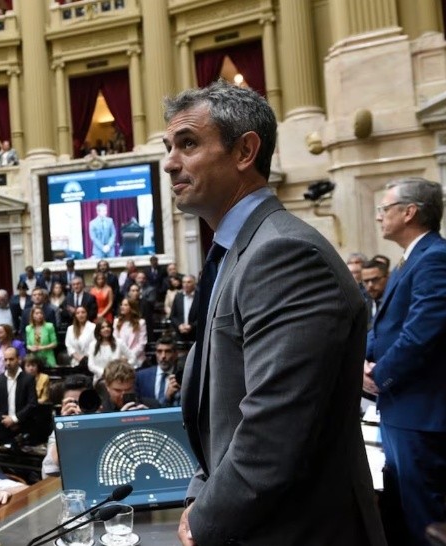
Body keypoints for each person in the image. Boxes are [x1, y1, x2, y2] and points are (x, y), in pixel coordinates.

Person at [164, 81, 384, 546]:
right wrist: (199, 493)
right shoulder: (236, 252)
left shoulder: (282, 253)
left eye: (187, 144)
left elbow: (272, 431)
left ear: (245, 151)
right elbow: (221, 411)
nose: (169, 163)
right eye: (169, 147)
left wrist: (205, 520)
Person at [363, 177, 446, 545]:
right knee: (403, 516)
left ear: (409, 212)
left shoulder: (437, 259)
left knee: (426, 522)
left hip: (425, 416)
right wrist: (354, 357)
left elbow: (420, 337)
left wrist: (380, 375)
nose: (380, 217)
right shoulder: (414, 258)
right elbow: (387, 329)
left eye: (385, 209)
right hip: (405, 412)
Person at [0, 348, 38, 444]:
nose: (8, 363)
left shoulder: (28, 379)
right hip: (2, 426)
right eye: (5, 360)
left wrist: (14, 419)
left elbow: (32, 404)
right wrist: (5, 420)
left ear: (19, 359)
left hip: (23, 425)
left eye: (11, 359)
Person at [136, 337, 181, 407]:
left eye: (168, 351)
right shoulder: (141, 376)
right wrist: (166, 397)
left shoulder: (181, 377)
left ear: (175, 354)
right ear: (155, 353)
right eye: (159, 351)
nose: (163, 356)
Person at [113, 299, 147, 368]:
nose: (122, 307)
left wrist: (129, 356)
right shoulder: (116, 321)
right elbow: (115, 341)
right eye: (122, 305)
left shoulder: (141, 323)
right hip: (120, 359)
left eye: (125, 305)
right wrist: (121, 357)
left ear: (132, 308)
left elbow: (142, 344)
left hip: (136, 359)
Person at [65, 306, 96, 371]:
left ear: (87, 314)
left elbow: (95, 344)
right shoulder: (70, 329)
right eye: (78, 313)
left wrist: (85, 358)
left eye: (83, 312)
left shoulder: (93, 327)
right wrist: (78, 357)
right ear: (75, 315)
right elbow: (69, 346)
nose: (80, 315)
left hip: (90, 360)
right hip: (75, 361)